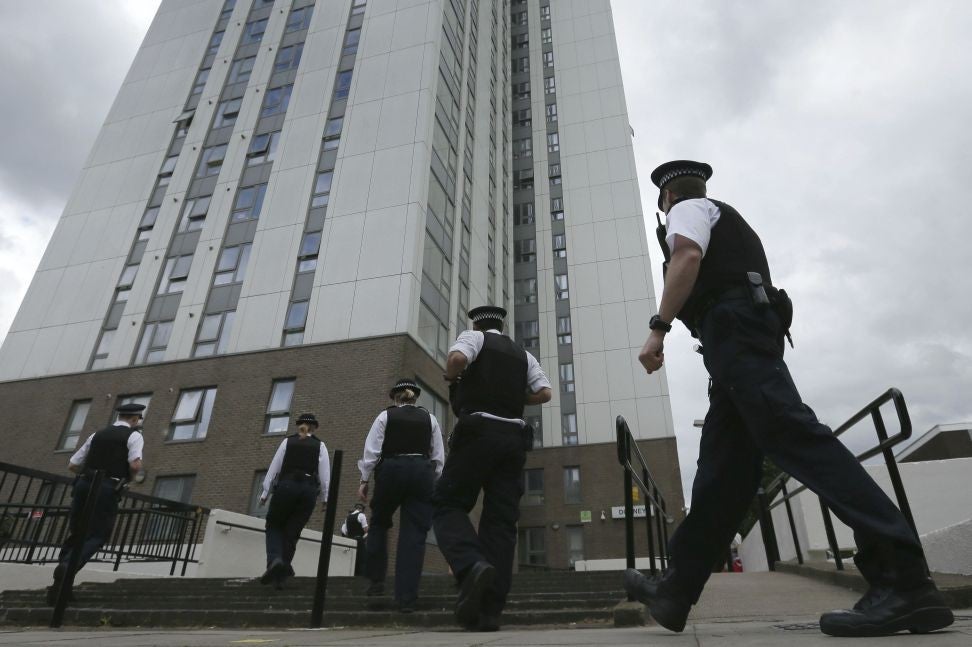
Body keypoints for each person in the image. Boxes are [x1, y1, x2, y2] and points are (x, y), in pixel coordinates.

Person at [624, 160, 953, 637]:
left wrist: (658, 328)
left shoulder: (689, 209)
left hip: (734, 334)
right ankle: (677, 588)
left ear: (666, 199)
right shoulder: (727, 219)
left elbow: (687, 257)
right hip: (736, 340)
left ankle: (903, 577)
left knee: (794, 435)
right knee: (723, 474)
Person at [432, 305, 552, 632]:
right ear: (503, 324)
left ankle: (470, 566)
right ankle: (489, 612)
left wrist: (452, 376)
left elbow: (456, 360)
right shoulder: (523, 355)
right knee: (501, 522)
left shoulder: (474, 338)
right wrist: (514, 397)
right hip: (513, 439)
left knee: (447, 503)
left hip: (478, 431)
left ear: (478, 323)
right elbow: (545, 393)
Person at [357, 379, 445, 613]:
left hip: (392, 470)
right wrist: (432, 480)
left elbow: (372, 452)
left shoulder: (385, 416)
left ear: (395, 397)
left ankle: (376, 581)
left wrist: (364, 480)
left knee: (379, 524)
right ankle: (406, 598)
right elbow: (438, 457)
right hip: (421, 471)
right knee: (414, 534)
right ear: (416, 397)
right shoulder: (430, 418)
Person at [47, 402, 145, 605]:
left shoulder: (96, 434)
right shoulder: (134, 436)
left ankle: (60, 589)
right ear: (135, 419)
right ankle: (67, 566)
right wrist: (131, 478)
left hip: (83, 485)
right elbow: (135, 464)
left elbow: (73, 464)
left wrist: (88, 475)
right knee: (98, 534)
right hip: (107, 488)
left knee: (78, 531)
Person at [259, 413, 329, 590]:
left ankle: (275, 559)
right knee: (292, 532)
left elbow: (274, 467)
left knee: (274, 524)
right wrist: (325, 498)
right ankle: (280, 577)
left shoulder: (287, 442)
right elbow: (325, 475)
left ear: (299, 426)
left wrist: (265, 492)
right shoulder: (320, 446)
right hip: (308, 490)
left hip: (287, 486)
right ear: (315, 428)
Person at [341, 502, 369, 576]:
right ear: (362, 509)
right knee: (362, 558)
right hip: (359, 540)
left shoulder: (348, 517)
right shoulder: (361, 515)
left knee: (352, 559)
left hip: (350, 540)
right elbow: (366, 529)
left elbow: (345, 531)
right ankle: (360, 576)